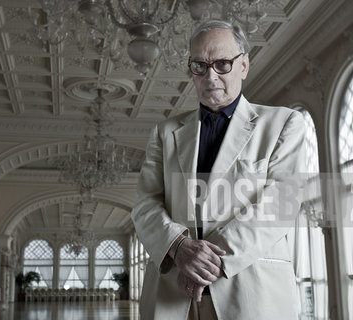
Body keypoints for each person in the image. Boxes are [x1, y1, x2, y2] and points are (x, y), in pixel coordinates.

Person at [131, 19, 307, 320]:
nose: (210, 75)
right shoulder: (165, 132)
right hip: (174, 296)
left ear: (243, 66)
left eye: (222, 64)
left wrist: (203, 263)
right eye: (199, 66)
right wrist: (178, 247)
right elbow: (145, 205)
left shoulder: (284, 124)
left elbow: (280, 205)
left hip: (252, 295)